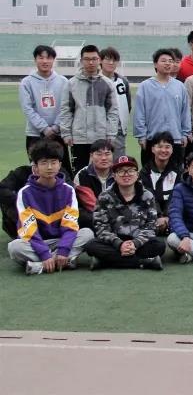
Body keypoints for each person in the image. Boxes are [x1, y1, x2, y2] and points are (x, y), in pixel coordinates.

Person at [8, 140, 94, 275]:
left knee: (87, 234)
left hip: (59, 241)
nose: (49, 167)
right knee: (14, 247)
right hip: (36, 242)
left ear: (59, 165)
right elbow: (29, 229)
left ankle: (40, 266)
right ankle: (62, 261)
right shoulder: (25, 193)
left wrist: (63, 249)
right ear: (35, 167)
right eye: (44, 163)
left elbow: (70, 225)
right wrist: (44, 254)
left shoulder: (68, 190)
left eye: (53, 162)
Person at [85, 155, 167, 270]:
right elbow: (101, 227)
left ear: (137, 174)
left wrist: (135, 243)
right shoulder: (104, 197)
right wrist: (119, 244)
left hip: (139, 241)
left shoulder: (147, 196)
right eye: (121, 171)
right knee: (91, 246)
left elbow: (151, 226)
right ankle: (144, 262)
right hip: (114, 242)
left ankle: (105, 262)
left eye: (130, 170)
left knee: (159, 245)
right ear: (114, 176)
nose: (126, 174)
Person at [60, 44, 120, 173]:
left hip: (101, 137)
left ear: (99, 60)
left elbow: (112, 111)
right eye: (87, 59)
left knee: (102, 172)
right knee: (79, 172)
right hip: (79, 137)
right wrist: (66, 133)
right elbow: (66, 110)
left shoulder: (108, 83)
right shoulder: (71, 84)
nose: (91, 62)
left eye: (94, 59)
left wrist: (111, 133)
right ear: (81, 61)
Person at [134, 48, 192, 169]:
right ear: (155, 64)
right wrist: (141, 135)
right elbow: (139, 113)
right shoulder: (145, 86)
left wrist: (185, 133)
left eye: (170, 61)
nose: (168, 64)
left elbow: (185, 112)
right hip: (152, 139)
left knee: (175, 174)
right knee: (150, 173)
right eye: (164, 61)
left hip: (175, 139)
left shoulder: (180, 86)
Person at [21, 45, 70, 165]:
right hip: (35, 134)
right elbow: (27, 108)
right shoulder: (26, 82)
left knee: (61, 170)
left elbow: (66, 107)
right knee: (37, 169)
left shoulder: (63, 81)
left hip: (58, 134)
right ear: (35, 60)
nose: (45, 61)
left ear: (53, 60)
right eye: (41, 58)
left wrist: (55, 127)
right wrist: (44, 128)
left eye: (48, 58)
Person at [139, 132, 181, 234]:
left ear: (172, 150)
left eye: (167, 147)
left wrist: (167, 216)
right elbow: (149, 195)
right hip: (152, 214)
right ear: (153, 149)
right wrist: (158, 216)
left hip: (172, 214)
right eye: (160, 146)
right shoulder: (145, 172)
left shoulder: (178, 171)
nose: (163, 150)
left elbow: (175, 196)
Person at [99, 46, 132, 159]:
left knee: (118, 162)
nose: (111, 62)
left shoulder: (123, 81)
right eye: (108, 59)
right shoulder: (95, 81)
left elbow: (128, 105)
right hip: (99, 130)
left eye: (114, 60)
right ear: (101, 61)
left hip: (119, 130)